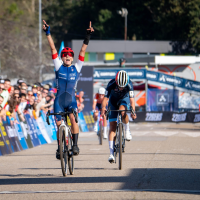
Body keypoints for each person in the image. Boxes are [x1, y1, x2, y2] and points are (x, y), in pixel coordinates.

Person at [43, 19, 94, 158]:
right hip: (59, 100)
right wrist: (48, 33)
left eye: (69, 55)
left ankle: (75, 145)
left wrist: (87, 36)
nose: (67, 57)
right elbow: (53, 49)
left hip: (71, 100)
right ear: (62, 58)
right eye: (64, 55)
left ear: (72, 58)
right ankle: (60, 148)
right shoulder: (58, 66)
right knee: (59, 124)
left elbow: (83, 50)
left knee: (73, 119)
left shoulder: (76, 67)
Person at [101, 70, 137, 163]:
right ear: (116, 82)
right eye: (119, 86)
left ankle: (127, 130)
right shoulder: (111, 84)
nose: (121, 88)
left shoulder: (129, 84)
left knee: (122, 110)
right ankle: (111, 153)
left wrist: (133, 112)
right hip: (113, 101)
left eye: (123, 86)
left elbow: (132, 101)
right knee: (112, 126)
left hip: (124, 100)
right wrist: (103, 108)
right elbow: (105, 99)